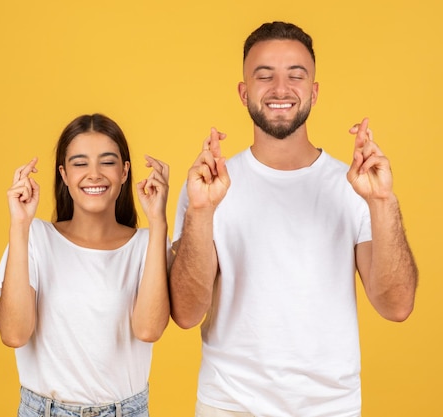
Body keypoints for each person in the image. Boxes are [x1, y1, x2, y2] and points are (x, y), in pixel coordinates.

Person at [169, 22, 418, 417]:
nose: (280, 89)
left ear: (314, 92)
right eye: (264, 75)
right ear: (243, 92)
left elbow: (396, 305)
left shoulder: (353, 188)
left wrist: (382, 202)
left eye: (295, 76)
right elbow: (185, 314)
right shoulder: (208, 188)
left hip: (330, 408)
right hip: (229, 406)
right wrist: (201, 212)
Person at [0, 113, 170, 417]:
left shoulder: (147, 244)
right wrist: (19, 226)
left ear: (125, 171)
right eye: (80, 163)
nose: (94, 174)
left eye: (108, 162)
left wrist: (159, 221)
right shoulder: (35, 237)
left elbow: (149, 329)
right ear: (63, 174)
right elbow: (14, 334)